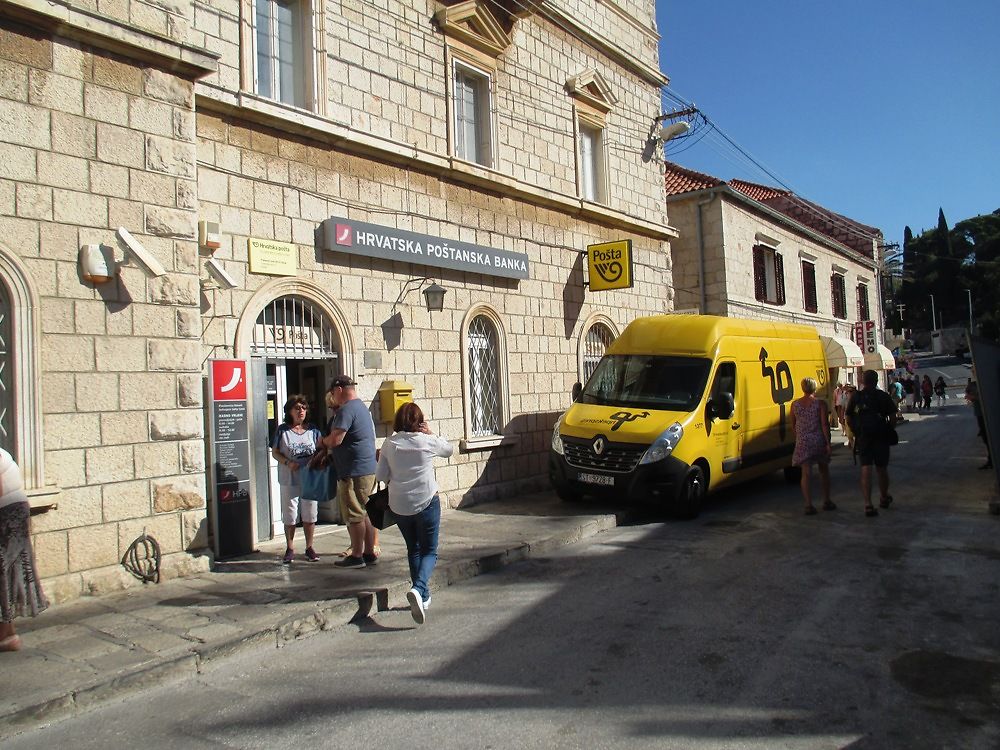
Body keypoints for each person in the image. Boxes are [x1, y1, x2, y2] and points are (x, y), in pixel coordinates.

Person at [375, 402, 454, 624]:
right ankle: (419, 589)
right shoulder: (426, 441)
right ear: (419, 422)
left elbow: (381, 476)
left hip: (400, 505)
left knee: (414, 548)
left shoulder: (389, 444)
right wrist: (431, 433)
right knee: (430, 550)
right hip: (427, 500)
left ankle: (423, 596)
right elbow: (448, 450)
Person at [323, 376, 379, 568]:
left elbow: (336, 439)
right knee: (367, 512)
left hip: (353, 471)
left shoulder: (346, 409)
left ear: (338, 389)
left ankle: (356, 556)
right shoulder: (361, 407)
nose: (333, 398)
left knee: (354, 513)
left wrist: (322, 442)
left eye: (333, 393)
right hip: (367, 468)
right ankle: (369, 552)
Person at [1, 447, 49, 652]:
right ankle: (7, 635)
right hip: (14, 511)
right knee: (6, 573)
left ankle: (7, 635)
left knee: (3, 573)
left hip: (6, 515)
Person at [271, 395, 323, 564]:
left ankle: (309, 547)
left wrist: (316, 461)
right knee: (290, 514)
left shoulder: (313, 430)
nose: (301, 411)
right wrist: (287, 462)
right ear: (290, 411)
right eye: (297, 408)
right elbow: (275, 451)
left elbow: (322, 448)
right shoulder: (282, 430)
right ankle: (290, 547)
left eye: (304, 407)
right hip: (290, 478)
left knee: (310, 513)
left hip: (309, 478)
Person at [846, 370, 896, 517]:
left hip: (863, 437)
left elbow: (848, 417)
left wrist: (856, 432)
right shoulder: (883, 396)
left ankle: (868, 504)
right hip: (880, 435)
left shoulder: (857, 397)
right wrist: (888, 429)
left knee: (866, 468)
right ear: (876, 381)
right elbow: (893, 417)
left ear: (863, 381)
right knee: (881, 468)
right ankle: (883, 496)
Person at [789, 377, 834, 515]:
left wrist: (799, 437)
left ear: (803, 388)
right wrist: (828, 442)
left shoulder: (795, 405)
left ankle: (808, 504)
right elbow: (824, 425)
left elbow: (793, 424)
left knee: (806, 473)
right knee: (823, 471)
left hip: (803, 442)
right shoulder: (820, 404)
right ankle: (826, 501)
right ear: (815, 388)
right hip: (818, 440)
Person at [965, 376, 992, 469]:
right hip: (980, 414)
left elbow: (979, 398)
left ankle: (992, 459)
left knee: (987, 438)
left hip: (982, 414)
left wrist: (972, 397)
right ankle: (991, 459)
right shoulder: (976, 384)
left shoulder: (978, 386)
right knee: (985, 438)